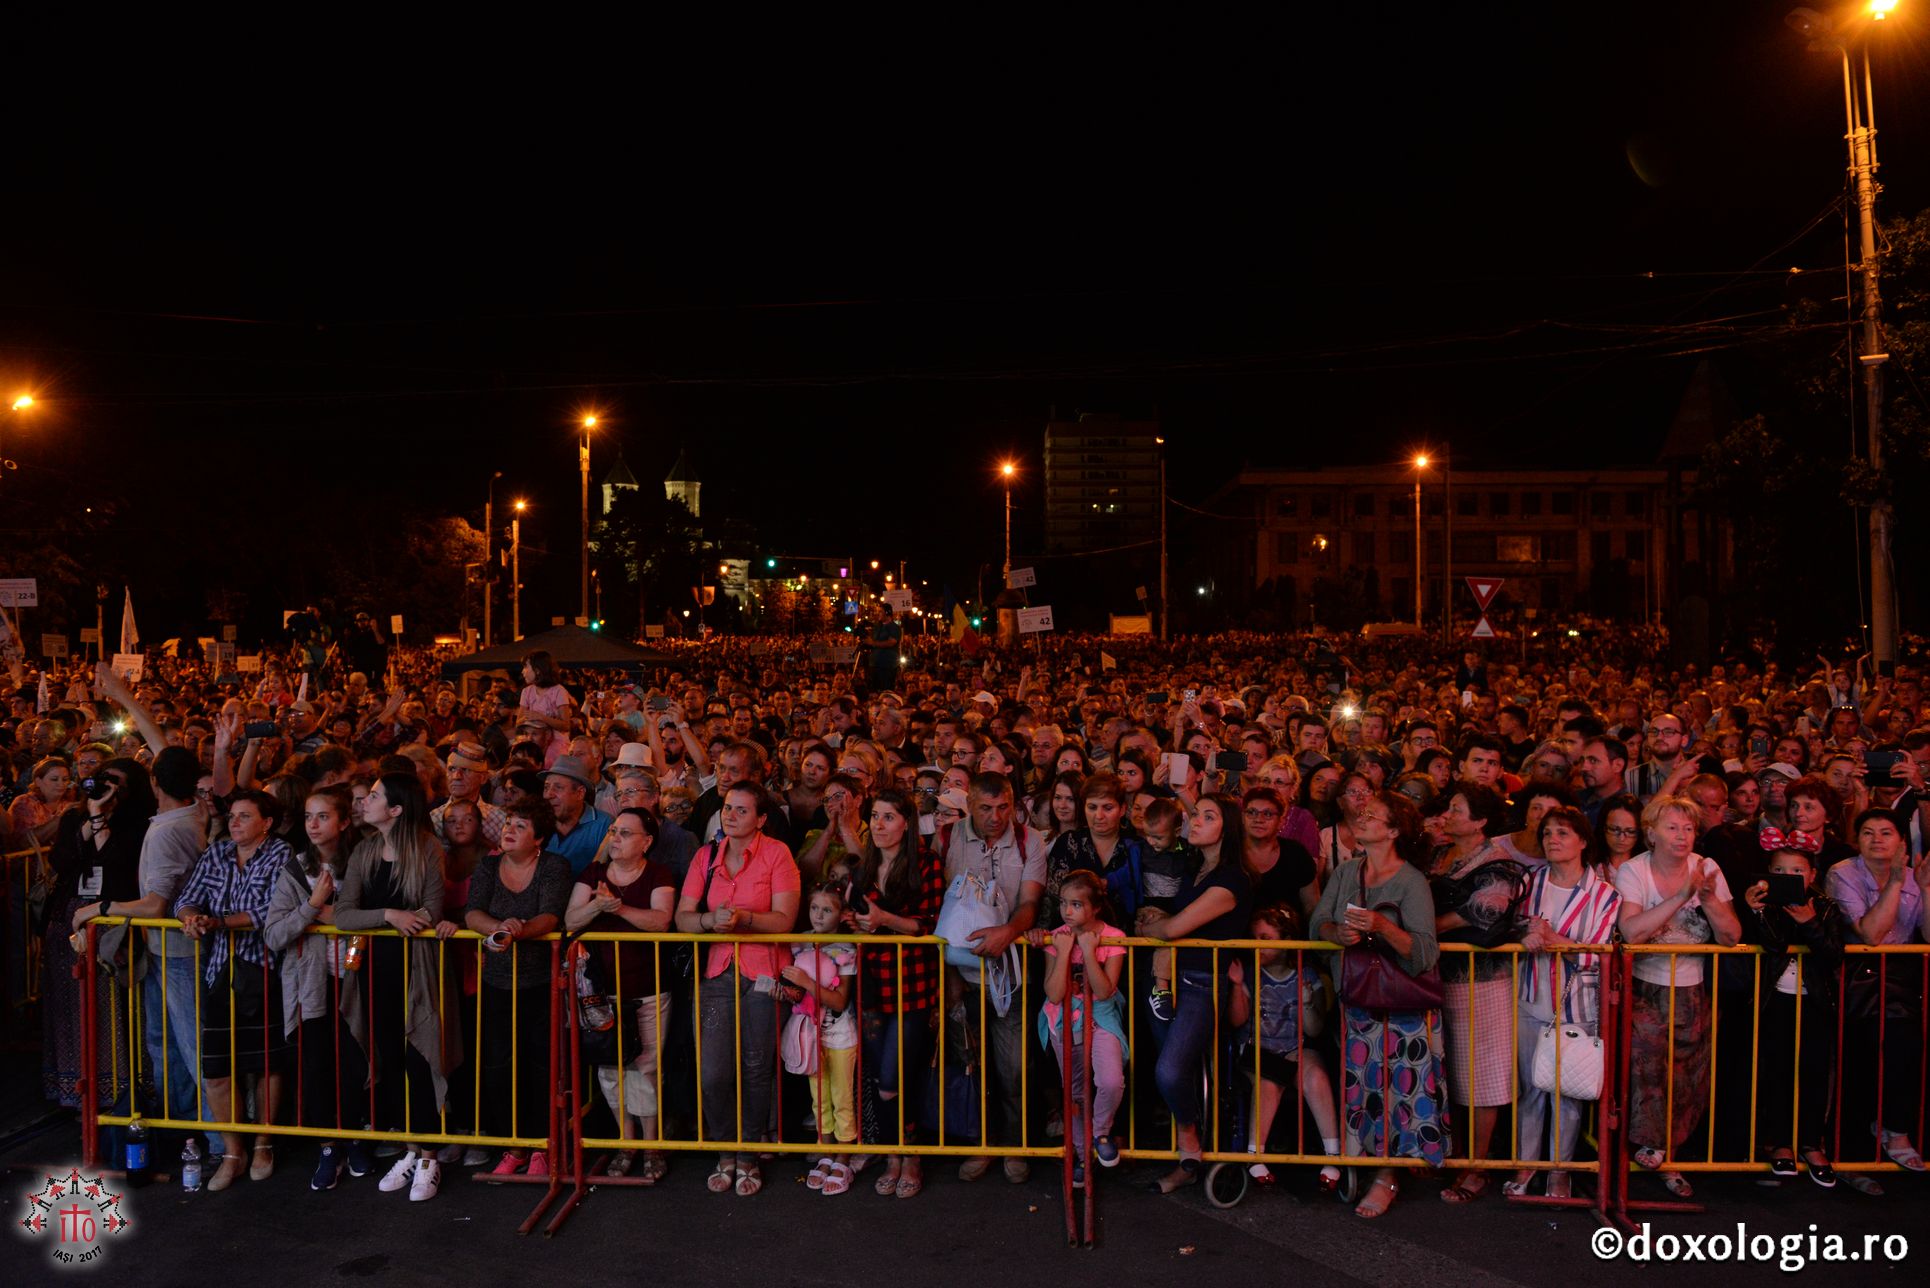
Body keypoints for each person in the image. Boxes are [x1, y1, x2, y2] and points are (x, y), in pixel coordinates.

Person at [1311, 790, 1445, 1220]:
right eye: (1362, 813)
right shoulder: (1348, 871)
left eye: (1373, 816)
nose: (1362, 818)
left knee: (1402, 1088)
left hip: (1405, 1008)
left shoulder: (1411, 882)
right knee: (1365, 1085)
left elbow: (1424, 952)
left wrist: (1384, 926)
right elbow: (1318, 924)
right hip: (1360, 1000)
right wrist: (1338, 933)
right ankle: (1367, 1162)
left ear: (1393, 831)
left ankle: (1387, 1175)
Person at [675, 783, 801, 1197]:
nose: (731, 815)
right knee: (712, 1072)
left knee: (755, 1068)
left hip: (763, 971)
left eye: (742, 810)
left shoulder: (777, 853)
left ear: (761, 819)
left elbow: (785, 920)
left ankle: (746, 1155)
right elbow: (683, 918)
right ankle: (724, 1147)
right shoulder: (705, 856)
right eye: (728, 808)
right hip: (716, 972)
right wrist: (711, 922)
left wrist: (744, 919)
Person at [1615, 792, 1742, 1198]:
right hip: (1645, 987)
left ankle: (1666, 1153)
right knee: (1648, 1068)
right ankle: (1644, 1149)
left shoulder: (1708, 868)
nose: (1682, 835)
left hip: (1694, 986)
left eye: (1688, 828)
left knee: (1689, 1076)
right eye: (1672, 827)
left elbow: (1732, 937)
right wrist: (1680, 895)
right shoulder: (1634, 870)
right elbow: (1632, 932)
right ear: (1651, 833)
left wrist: (1707, 898)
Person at [173, 789, 296, 1192]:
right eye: (233, 816)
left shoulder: (281, 854)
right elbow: (187, 898)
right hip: (217, 971)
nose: (235, 822)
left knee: (266, 1065)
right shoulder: (218, 853)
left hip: (264, 969)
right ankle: (232, 1151)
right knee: (218, 1068)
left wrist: (218, 923)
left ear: (267, 822)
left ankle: (263, 1143)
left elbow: (271, 912)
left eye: (245, 816)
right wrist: (191, 918)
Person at [337, 773, 452, 1201]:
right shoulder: (364, 851)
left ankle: (428, 1155)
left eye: (374, 796)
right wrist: (390, 915)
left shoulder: (426, 849)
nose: (364, 801)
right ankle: (406, 1149)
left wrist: (407, 917)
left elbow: (430, 909)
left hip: (415, 968)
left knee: (420, 1054)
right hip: (371, 967)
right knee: (386, 1055)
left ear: (396, 809)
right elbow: (342, 914)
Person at [1140, 794, 1254, 1194]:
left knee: (1170, 1070)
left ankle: (1189, 1139)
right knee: (1175, 1071)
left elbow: (1173, 929)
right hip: (1168, 977)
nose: (1196, 821)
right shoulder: (1195, 869)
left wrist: (1149, 930)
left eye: (1209, 816)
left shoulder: (1232, 880)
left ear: (1228, 828)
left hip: (1203, 983)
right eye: (1195, 814)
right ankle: (1185, 1157)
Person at [1507, 805, 1620, 1199]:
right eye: (1548, 833)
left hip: (1575, 1002)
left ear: (1583, 842)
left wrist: (1558, 943)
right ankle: (1526, 1165)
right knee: (1529, 1086)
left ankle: (1560, 1169)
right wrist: (1524, 934)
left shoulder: (1604, 895)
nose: (1553, 840)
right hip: (1530, 994)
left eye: (1563, 833)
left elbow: (1600, 953)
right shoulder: (1529, 881)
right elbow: (1512, 927)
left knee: (1566, 1090)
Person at [261, 785, 370, 1190]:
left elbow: (371, 917)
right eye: (309, 816)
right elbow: (274, 933)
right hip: (310, 983)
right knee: (317, 1066)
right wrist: (312, 908)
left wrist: (332, 914)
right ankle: (328, 1146)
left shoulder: (363, 861)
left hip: (356, 976)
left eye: (323, 816)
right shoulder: (295, 869)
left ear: (343, 822)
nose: (313, 824)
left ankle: (359, 1135)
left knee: (357, 1062)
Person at [939, 772, 1046, 1185]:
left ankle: (1015, 1145)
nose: (996, 817)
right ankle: (981, 1142)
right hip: (960, 973)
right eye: (985, 808)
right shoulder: (948, 839)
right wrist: (948, 979)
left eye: (1003, 807)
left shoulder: (1029, 840)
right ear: (970, 805)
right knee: (971, 1063)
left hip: (1010, 975)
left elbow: (1031, 901)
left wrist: (1009, 932)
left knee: (1013, 1067)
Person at [838, 788, 944, 1198]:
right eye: (875, 817)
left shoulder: (926, 864)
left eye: (888, 817)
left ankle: (909, 1153)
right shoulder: (863, 867)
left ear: (906, 822)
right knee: (879, 1071)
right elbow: (853, 917)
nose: (879, 825)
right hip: (871, 980)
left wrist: (883, 920)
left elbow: (928, 925)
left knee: (895, 1074)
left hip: (912, 981)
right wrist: (853, 919)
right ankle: (894, 1153)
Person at [1429, 781, 1529, 1204]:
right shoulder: (1438, 853)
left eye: (1456, 809)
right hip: (1439, 976)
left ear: (1481, 821)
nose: (1447, 815)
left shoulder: (1499, 863)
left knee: (1483, 1073)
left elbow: (1485, 911)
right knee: (1447, 1066)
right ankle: (1451, 1151)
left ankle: (1477, 1164)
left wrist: (1423, 932)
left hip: (1482, 980)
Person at [564, 806, 676, 1183]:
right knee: (609, 1069)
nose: (615, 837)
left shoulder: (659, 874)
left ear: (646, 841)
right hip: (599, 991)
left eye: (626, 832)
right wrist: (598, 904)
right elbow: (570, 920)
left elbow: (661, 922)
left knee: (645, 1067)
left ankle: (651, 1144)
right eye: (613, 830)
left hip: (646, 987)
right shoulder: (593, 874)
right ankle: (625, 1141)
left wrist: (620, 907)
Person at [463, 797, 570, 1181]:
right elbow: (472, 911)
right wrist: (496, 928)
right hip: (496, 981)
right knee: (497, 1065)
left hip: (539, 983)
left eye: (520, 825)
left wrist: (519, 929)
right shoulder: (489, 865)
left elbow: (550, 914)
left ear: (539, 837)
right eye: (508, 822)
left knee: (539, 1065)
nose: (509, 829)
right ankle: (512, 1146)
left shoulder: (554, 866)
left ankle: (543, 1145)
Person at [1824, 808, 1929, 1174]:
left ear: (1903, 840)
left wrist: (1925, 888)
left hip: (1907, 973)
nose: (1877, 840)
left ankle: (1895, 1129)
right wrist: (1897, 883)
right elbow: (1869, 934)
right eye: (1868, 833)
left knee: (1907, 1047)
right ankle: (1870, 1144)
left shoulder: (1918, 875)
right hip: (1859, 974)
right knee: (1870, 1054)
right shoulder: (1843, 873)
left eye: (1886, 833)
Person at [47, 759, 155, 1108]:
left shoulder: (140, 823)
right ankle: (74, 1088)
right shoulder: (72, 819)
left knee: (113, 1010)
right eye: (104, 780)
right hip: (71, 920)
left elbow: (116, 862)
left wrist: (100, 820)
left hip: (114, 920)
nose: (110, 788)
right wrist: (90, 818)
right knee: (71, 1007)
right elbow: (61, 861)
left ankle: (119, 1092)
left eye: (119, 784)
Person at [1743, 842, 1848, 1188]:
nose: (1788, 877)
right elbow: (1773, 946)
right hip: (1775, 1000)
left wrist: (1811, 922)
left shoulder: (1828, 907)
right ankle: (1779, 1143)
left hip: (1815, 1001)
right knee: (1776, 1071)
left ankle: (1811, 1144)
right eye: (1779, 871)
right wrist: (1758, 912)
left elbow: (1832, 954)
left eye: (1797, 871)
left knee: (1814, 1073)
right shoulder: (1764, 905)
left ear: (1813, 875)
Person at [1225, 903, 1340, 1191]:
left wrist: (1306, 1002)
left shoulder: (1307, 975)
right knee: (1269, 1080)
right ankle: (1255, 1156)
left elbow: (1313, 1029)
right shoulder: (1250, 972)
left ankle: (1334, 1155)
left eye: (1265, 939)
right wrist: (1238, 986)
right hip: (1256, 1047)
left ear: (1287, 941)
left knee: (1317, 1076)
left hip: (1293, 1045)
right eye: (1254, 938)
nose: (1257, 945)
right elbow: (1237, 1020)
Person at [1029, 869, 1127, 1189]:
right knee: (1075, 1092)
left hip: (1101, 1017)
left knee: (1111, 1081)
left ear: (1095, 907)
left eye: (1076, 905)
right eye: (1063, 904)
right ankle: (1082, 1154)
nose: (1067, 912)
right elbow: (1054, 994)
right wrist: (1062, 951)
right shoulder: (1056, 936)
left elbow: (1104, 991)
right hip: (1063, 1018)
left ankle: (1100, 1133)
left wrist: (1087, 951)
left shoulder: (1113, 936)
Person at [783, 884, 859, 1196]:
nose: (819, 915)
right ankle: (825, 1151)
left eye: (827, 910)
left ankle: (844, 1156)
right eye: (815, 908)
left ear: (841, 915)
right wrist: (790, 990)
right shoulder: (799, 944)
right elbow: (796, 992)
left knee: (842, 1097)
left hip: (839, 1035)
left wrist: (806, 982)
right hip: (809, 1035)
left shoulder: (845, 950)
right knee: (819, 1098)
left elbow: (840, 1001)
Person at [517, 650, 575, 768]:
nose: (523, 672)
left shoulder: (558, 691)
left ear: (538, 670)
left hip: (556, 743)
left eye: (526, 667)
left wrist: (541, 717)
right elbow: (518, 722)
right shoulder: (526, 692)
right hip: (532, 740)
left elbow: (566, 725)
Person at [1586, 794, 1642, 878]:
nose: (1621, 838)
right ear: (1603, 827)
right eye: (1614, 829)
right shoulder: (1589, 866)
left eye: (1630, 831)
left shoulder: (1648, 867)